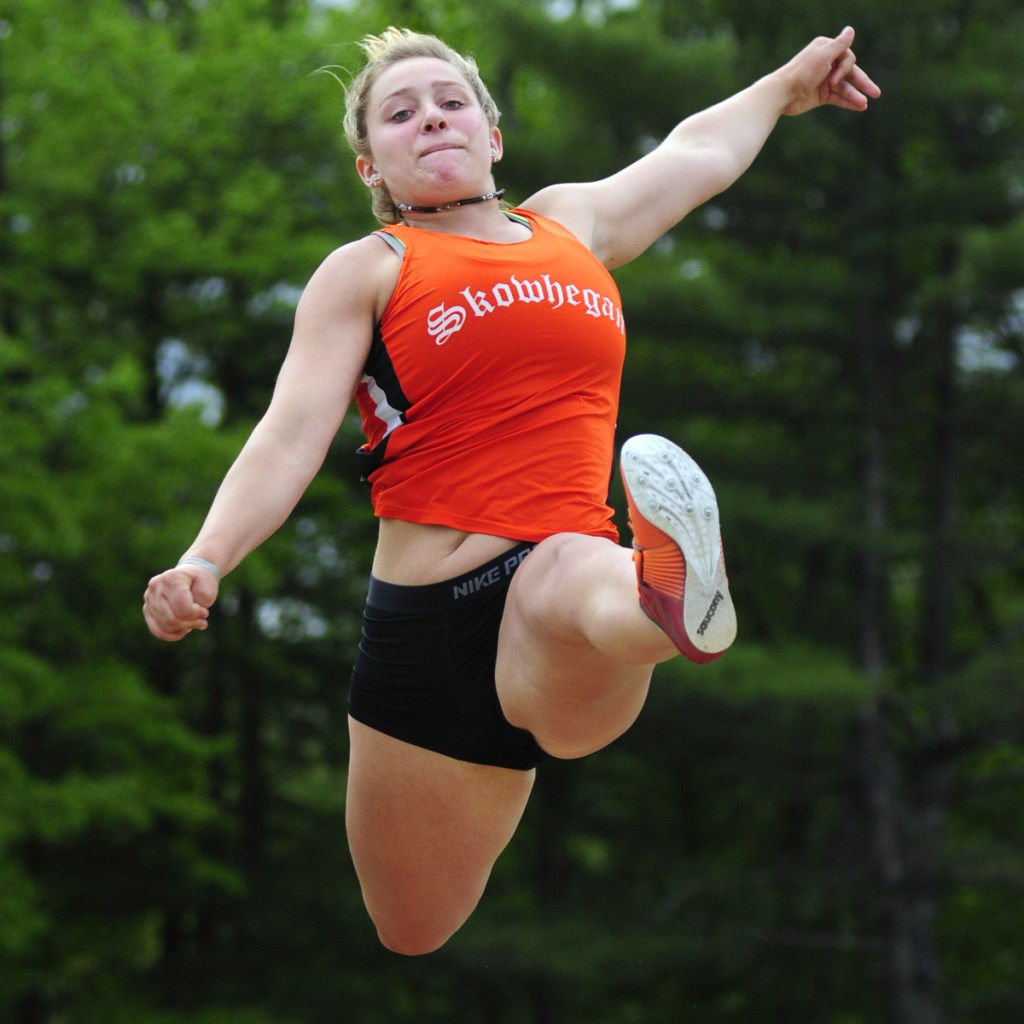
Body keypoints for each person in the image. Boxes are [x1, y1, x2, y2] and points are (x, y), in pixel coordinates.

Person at [143, 24, 879, 955]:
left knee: (575, 566)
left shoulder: (568, 226)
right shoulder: (370, 271)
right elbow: (289, 435)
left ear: (491, 136)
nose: (431, 119)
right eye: (401, 114)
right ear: (374, 168)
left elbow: (696, 152)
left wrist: (783, 86)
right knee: (411, 926)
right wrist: (206, 559)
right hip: (423, 631)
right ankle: (657, 595)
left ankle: (667, 593)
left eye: (450, 102)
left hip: (553, 588)